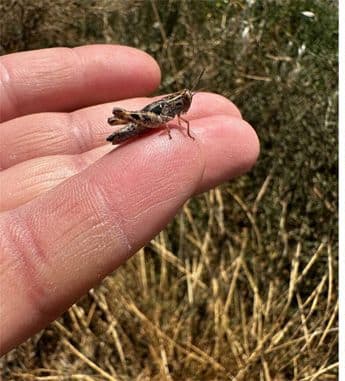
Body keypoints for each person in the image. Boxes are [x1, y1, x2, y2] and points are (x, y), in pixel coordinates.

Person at [0, 45, 260, 355]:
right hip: (140, 122)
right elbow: (163, 118)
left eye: (187, 101)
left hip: (146, 122)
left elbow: (176, 119)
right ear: (181, 100)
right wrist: (143, 122)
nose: (186, 105)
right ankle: (125, 120)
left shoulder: (177, 108)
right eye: (186, 101)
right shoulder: (169, 108)